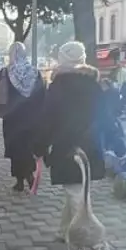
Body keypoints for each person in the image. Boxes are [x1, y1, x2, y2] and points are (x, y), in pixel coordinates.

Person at [35, 42, 106, 239]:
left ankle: (85, 240)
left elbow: (47, 119)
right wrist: (115, 143)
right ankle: (65, 230)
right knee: (76, 190)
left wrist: (39, 147)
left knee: (77, 195)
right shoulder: (94, 84)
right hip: (91, 146)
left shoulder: (58, 86)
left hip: (67, 147)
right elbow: (106, 116)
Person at [0, 43, 45, 192]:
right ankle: (28, 174)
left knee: (15, 148)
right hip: (31, 118)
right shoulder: (35, 72)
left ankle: (20, 180)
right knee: (28, 147)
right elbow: (42, 94)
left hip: (12, 118)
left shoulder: (6, 72)